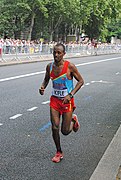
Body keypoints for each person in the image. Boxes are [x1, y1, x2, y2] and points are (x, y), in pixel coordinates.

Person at [39, 43, 84, 163]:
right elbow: (46, 79)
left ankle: (73, 120)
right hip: (54, 100)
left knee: (65, 131)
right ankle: (59, 152)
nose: (56, 55)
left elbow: (81, 81)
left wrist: (70, 94)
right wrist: (42, 86)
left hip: (67, 101)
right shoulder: (49, 66)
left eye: (59, 53)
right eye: (54, 52)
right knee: (54, 127)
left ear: (64, 54)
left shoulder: (70, 67)